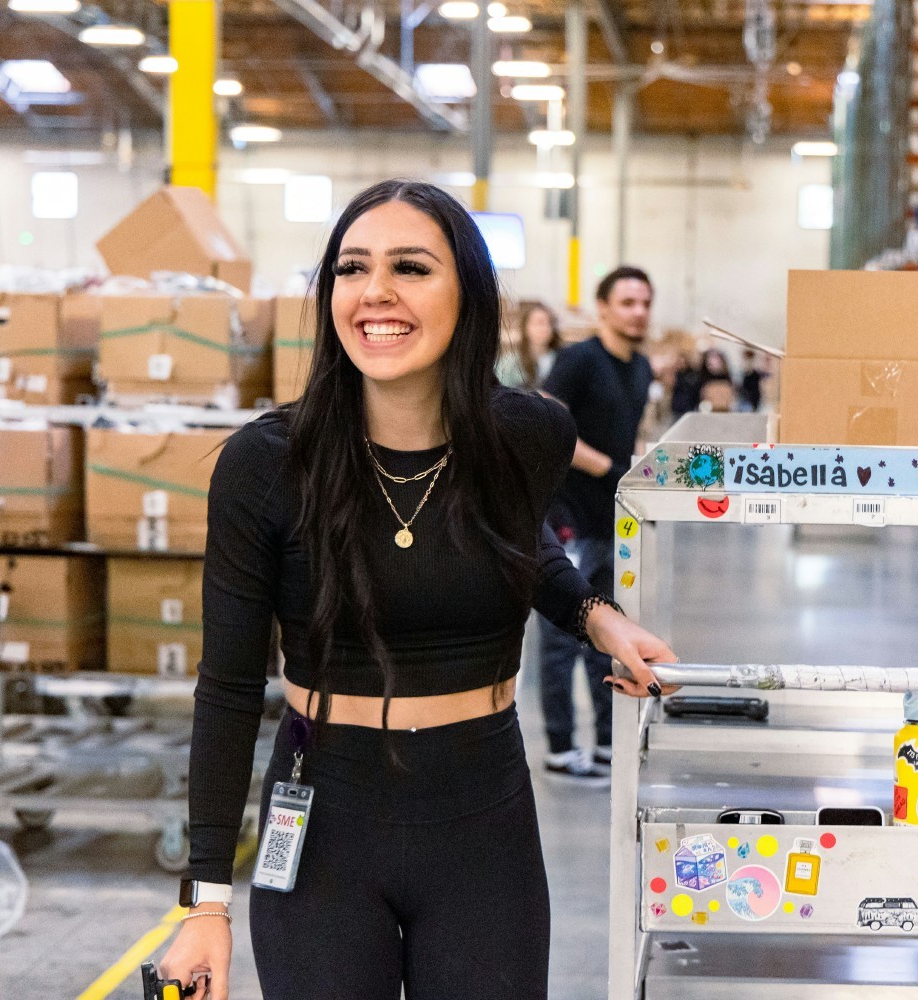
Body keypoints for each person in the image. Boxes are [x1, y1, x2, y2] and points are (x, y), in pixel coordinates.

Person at [159, 181, 675, 1000]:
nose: (376, 293)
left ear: (468, 294)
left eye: (411, 267)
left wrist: (594, 615)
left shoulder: (529, 436)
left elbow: (514, 545)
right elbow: (225, 688)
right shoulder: (267, 465)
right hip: (323, 816)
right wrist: (205, 902)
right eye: (351, 269)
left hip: (482, 815)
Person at [536, 266, 656, 780]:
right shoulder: (578, 361)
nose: (638, 312)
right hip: (569, 517)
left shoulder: (642, 367)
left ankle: (608, 742)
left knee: (607, 629)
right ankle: (561, 748)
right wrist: (611, 469)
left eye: (645, 303)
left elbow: (632, 434)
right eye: (627, 302)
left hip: (614, 519)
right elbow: (547, 424)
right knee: (562, 634)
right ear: (603, 307)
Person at [517, 300, 563, 390]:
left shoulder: (561, 360)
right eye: (539, 323)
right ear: (525, 326)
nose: (545, 328)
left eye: (549, 323)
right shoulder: (510, 363)